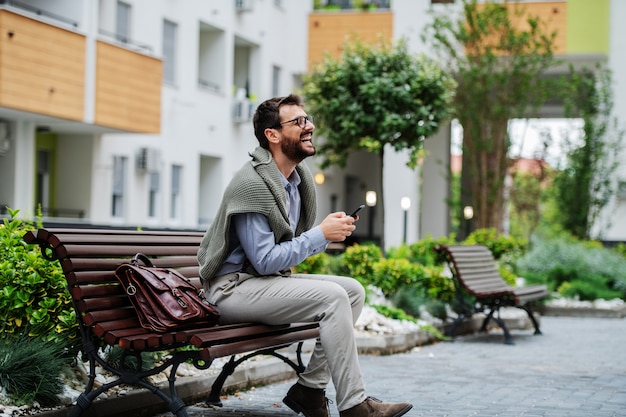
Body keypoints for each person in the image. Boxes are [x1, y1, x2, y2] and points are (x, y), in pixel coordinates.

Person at [197, 94, 413, 417]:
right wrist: (320, 235)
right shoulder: (251, 184)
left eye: (307, 119)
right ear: (272, 135)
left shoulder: (297, 182)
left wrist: (328, 234)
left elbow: (288, 250)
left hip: (262, 283)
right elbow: (265, 260)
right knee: (333, 298)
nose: (309, 126)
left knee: (352, 291)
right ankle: (355, 405)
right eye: (298, 122)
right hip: (230, 290)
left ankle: (310, 389)